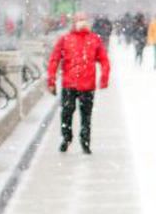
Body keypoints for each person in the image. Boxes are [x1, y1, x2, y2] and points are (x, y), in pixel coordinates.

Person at [47, 12, 111, 154]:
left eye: (83, 20)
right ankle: (67, 137)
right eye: (79, 20)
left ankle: (85, 141)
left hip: (87, 85)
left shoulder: (93, 39)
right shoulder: (65, 39)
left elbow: (104, 60)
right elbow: (54, 59)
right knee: (67, 113)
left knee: (85, 115)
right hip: (69, 84)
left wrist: (104, 78)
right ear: (74, 23)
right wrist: (51, 80)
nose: (82, 23)